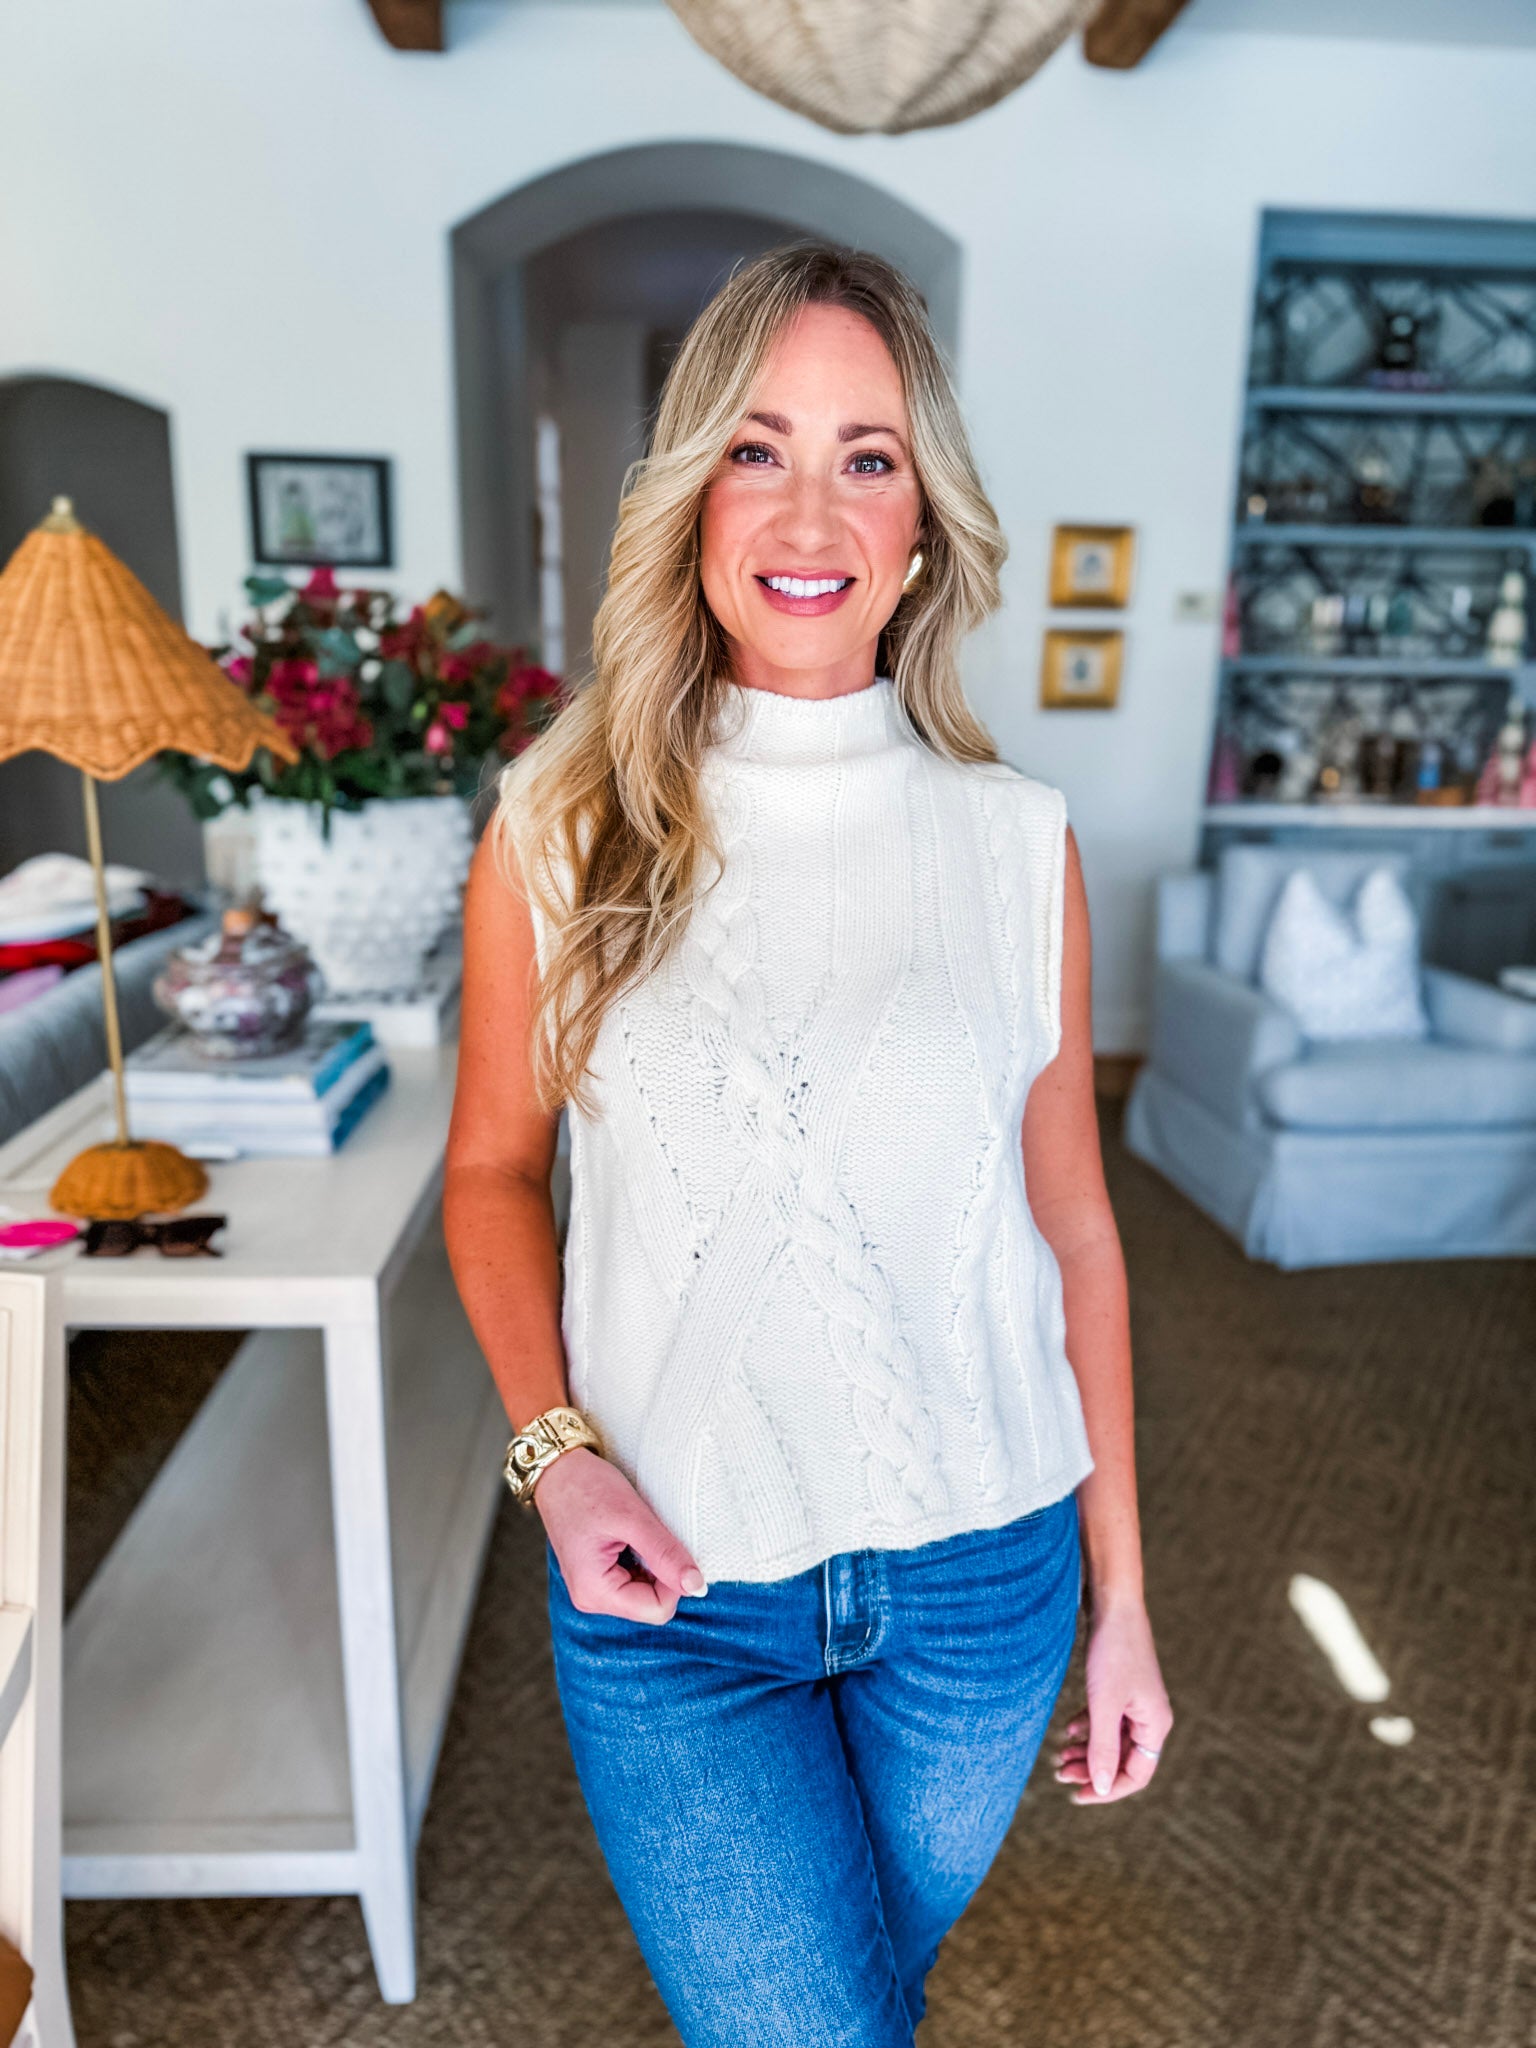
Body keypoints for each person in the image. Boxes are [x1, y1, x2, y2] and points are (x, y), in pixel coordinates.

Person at [443, 241, 1173, 2047]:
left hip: (984, 1580)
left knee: (855, 2007)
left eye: (869, 457)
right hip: (676, 1600)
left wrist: (1127, 1604)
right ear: (693, 496)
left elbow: (1074, 1228)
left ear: (922, 525)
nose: (810, 512)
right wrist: (554, 1458)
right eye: (758, 449)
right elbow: (489, 1174)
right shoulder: (557, 824)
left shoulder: (1018, 845)